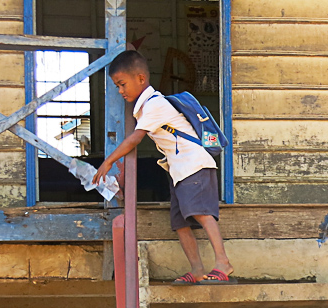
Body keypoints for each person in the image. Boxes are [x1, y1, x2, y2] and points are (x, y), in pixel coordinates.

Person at [94, 50, 234, 284]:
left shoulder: (155, 104)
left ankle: (223, 263)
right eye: (117, 86)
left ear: (140, 79)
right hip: (179, 171)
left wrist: (108, 161)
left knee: (202, 214)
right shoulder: (145, 108)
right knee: (180, 223)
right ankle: (197, 269)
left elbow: (135, 139)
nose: (120, 91)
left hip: (194, 165)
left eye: (122, 84)